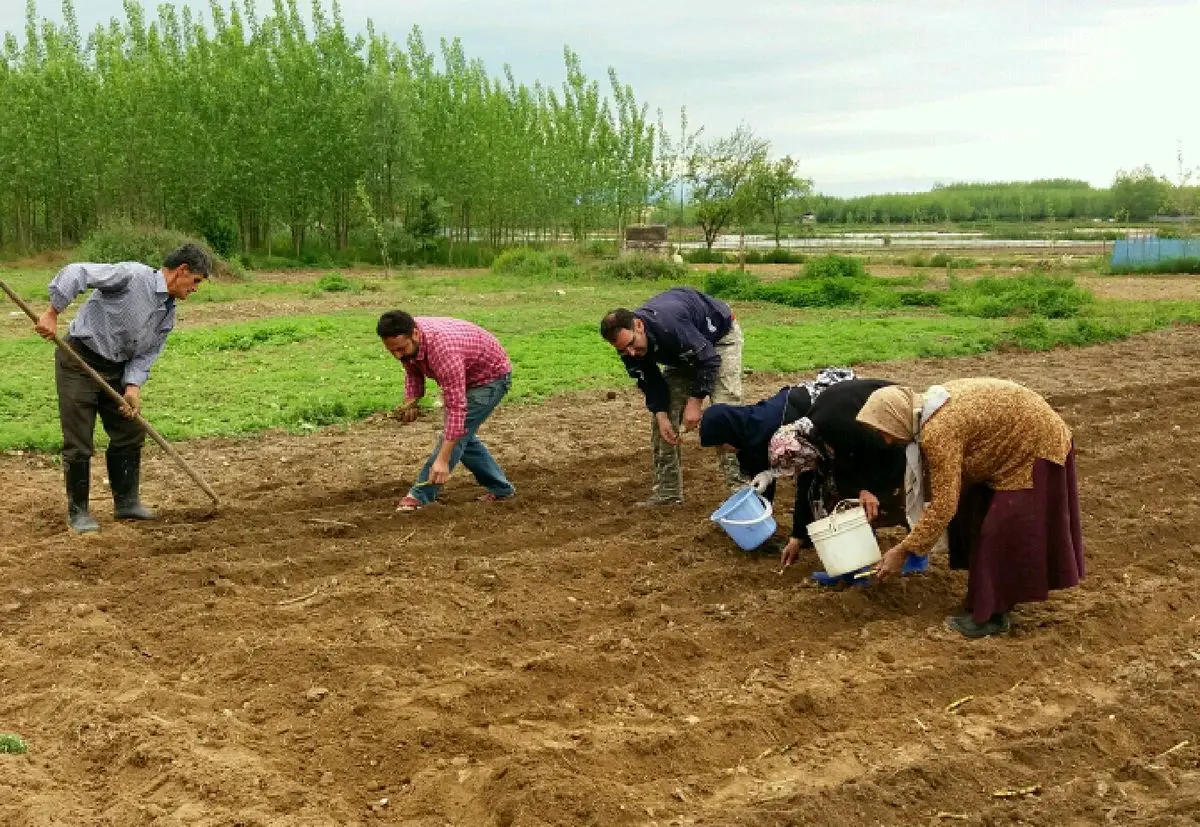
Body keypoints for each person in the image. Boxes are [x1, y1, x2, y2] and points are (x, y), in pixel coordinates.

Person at [856, 378, 1085, 638]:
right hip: (1007, 450)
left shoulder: (938, 430)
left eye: (885, 431)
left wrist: (904, 550)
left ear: (898, 417)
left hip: (1035, 448)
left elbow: (944, 505)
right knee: (975, 516)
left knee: (998, 532)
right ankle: (987, 600)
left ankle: (992, 617)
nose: (886, 441)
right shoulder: (931, 406)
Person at [34, 243, 211, 533]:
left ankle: (126, 503)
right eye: (196, 281)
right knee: (79, 438)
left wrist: (132, 387)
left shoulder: (168, 313)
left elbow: (145, 354)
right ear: (182, 271)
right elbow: (77, 271)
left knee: (130, 429)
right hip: (79, 360)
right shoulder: (132, 275)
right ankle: (78, 513)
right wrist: (52, 312)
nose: (196, 289)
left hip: (117, 369)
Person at [766, 378, 923, 582]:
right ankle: (854, 566)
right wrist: (797, 537)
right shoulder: (810, 440)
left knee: (903, 494)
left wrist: (871, 489)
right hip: (870, 445)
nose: (798, 473)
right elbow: (807, 485)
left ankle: (917, 555)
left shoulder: (838, 427)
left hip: (896, 428)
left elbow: (890, 451)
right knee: (839, 494)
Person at [600, 287, 743, 506]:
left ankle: (741, 488)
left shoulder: (670, 325)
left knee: (725, 413)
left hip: (719, 338)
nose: (629, 353)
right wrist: (660, 413)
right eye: (622, 349)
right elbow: (649, 379)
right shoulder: (629, 349)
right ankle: (667, 493)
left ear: (639, 325)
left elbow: (709, 359)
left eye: (631, 344)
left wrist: (695, 402)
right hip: (681, 351)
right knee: (664, 419)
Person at [698, 368, 855, 553]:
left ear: (728, 434)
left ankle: (828, 533)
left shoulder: (774, 435)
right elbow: (761, 474)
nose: (721, 451)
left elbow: (806, 474)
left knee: (823, 480)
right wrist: (755, 517)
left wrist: (797, 534)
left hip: (823, 409)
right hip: (795, 406)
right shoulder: (748, 431)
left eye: (720, 444)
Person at [378, 311, 516, 512]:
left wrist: (442, 461)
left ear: (415, 334)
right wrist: (412, 401)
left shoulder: (444, 352)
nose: (398, 355)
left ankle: (421, 495)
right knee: (461, 437)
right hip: (466, 373)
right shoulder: (408, 340)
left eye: (400, 349)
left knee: (455, 436)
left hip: (489, 379)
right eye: (392, 351)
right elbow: (412, 367)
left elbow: (457, 409)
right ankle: (501, 489)